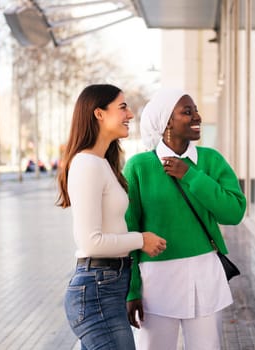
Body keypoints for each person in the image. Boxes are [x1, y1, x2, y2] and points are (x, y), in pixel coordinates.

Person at [124, 87, 246, 350]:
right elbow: (130, 231)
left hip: (205, 277)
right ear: (167, 120)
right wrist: (132, 290)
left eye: (196, 111)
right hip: (156, 282)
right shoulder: (138, 167)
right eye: (187, 112)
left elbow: (234, 212)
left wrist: (190, 175)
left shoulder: (211, 161)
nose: (197, 117)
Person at [56, 84, 167, 350]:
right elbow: (91, 242)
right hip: (97, 290)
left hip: (107, 285)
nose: (130, 114)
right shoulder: (87, 164)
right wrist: (141, 239)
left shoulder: (101, 163)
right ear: (99, 114)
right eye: (122, 107)